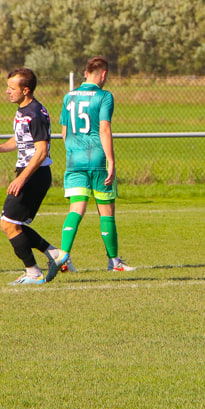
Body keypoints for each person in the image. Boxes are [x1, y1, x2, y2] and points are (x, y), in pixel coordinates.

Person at [0, 68, 66, 286]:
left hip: (34, 175)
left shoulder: (35, 113)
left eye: (12, 88)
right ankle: (54, 253)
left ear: (25, 90)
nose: (7, 92)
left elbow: (41, 151)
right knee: (12, 223)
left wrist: (22, 178)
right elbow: (21, 139)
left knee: (8, 224)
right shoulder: (23, 109)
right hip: (29, 173)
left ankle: (34, 272)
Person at [53, 56, 134, 273]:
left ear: (85, 73)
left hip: (74, 160)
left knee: (76, 209)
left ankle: (63, 256)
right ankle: (114, 262)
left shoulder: (68, 97)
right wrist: (111, 161)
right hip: (97, 159)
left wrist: (74, 151)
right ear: (103, 74)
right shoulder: (104, 96)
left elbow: (64, 132)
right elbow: (104, 129)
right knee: (106, 212)